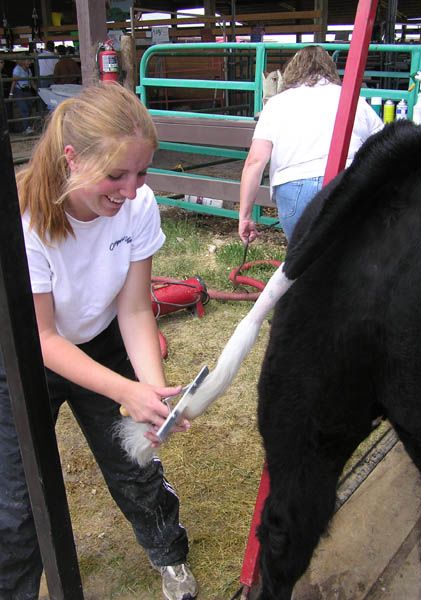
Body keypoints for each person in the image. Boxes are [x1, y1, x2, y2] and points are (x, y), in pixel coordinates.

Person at [0, 82, 198, 600]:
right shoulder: (25, 219)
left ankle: (169, 557)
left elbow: (133, 309)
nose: (130, 190)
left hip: (99, 340)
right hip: (24, 358)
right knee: (17, 502)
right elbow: (41, 337)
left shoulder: (139, 205)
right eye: (115, 174)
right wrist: (124, 391)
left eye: (141, 173)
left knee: (136, 468)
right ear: (71, 158)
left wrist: (152, 396)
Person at [239, 45, 384, 243]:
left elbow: (255, 161)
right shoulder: (353, 100)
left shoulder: (277, 104)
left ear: (292, 70)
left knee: (303, 262)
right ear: (330, 69)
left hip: (295, 188)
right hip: (348, 182)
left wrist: (245, 216)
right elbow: (383, 146)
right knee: (346, 259)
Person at [9, 58, 36, 134]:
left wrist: (38, 90)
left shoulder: (28, 70)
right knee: (24, 109)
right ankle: (26, 128)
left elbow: (31, 82)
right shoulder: (17, 69)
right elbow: (14, 82)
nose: (29, 62)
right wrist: (11, 93)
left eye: (29, 61)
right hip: (19, 91)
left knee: (29, 108)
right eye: (27, 60)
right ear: (22, 61)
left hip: (27, 90)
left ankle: (27, 127)